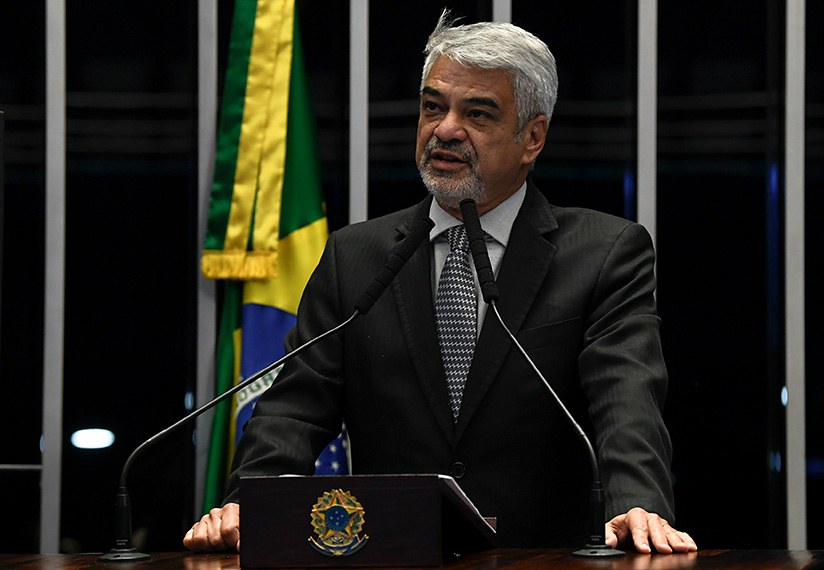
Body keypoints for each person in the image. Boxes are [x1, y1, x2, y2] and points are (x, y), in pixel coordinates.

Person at [185, 11, 697, 554]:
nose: (445, 129)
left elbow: (626, 400)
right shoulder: (355, 257)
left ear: (532, 137)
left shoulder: (602, 253)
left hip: (544, 559)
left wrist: (637, 504)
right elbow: (294, 410)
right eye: (433, 107)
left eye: (477, 113)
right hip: (391, 555)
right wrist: (249, 501)